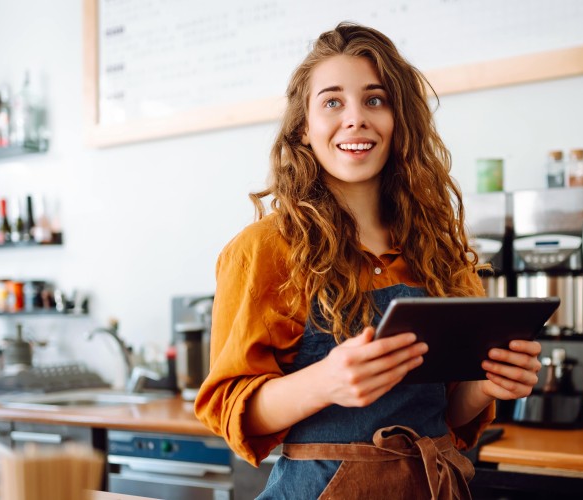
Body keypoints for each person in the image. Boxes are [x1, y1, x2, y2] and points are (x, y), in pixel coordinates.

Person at [195, 22, 542, 499]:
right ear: (304, 127)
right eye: (332, 102)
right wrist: (325, 382)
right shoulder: (265, 248)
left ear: (400, 121)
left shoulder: (438, 247)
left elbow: (443, 412)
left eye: (375, 100)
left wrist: (487, 385)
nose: (356, 118)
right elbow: (230, 409)